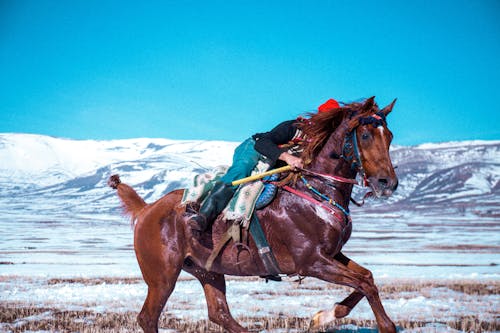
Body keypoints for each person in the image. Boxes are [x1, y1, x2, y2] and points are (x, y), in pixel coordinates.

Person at [188, 98, 340, 232]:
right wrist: (288, 157)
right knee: (241, 170)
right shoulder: (294, 127)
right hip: (255, 148)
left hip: (275, 162)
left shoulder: (321, 144)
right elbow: (263, 143)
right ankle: (204, 215)